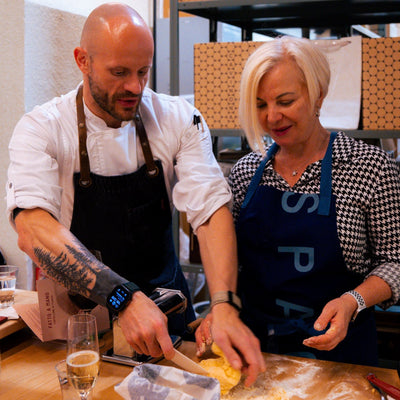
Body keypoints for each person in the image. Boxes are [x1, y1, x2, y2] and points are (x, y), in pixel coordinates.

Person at [6, 3, 265, 384]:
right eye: (119, 72)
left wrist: (224, 304)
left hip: (168, 317)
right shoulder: (42, 128)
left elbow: (210, 210)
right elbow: (32, 227)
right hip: (84, 330)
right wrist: (122, 298)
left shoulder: (179, 118)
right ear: (83, 60)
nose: (135, 87)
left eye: (143, 71)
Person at [224, 36, 400, 365]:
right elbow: (229, 262)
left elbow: (395, 262)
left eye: (285, 101)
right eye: (261, 105)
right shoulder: (246, 173)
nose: (272, 117)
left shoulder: (369, 167)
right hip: (257, 355)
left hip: (341, 358)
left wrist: (353, 300)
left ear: (318, 93)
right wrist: (222, 308)